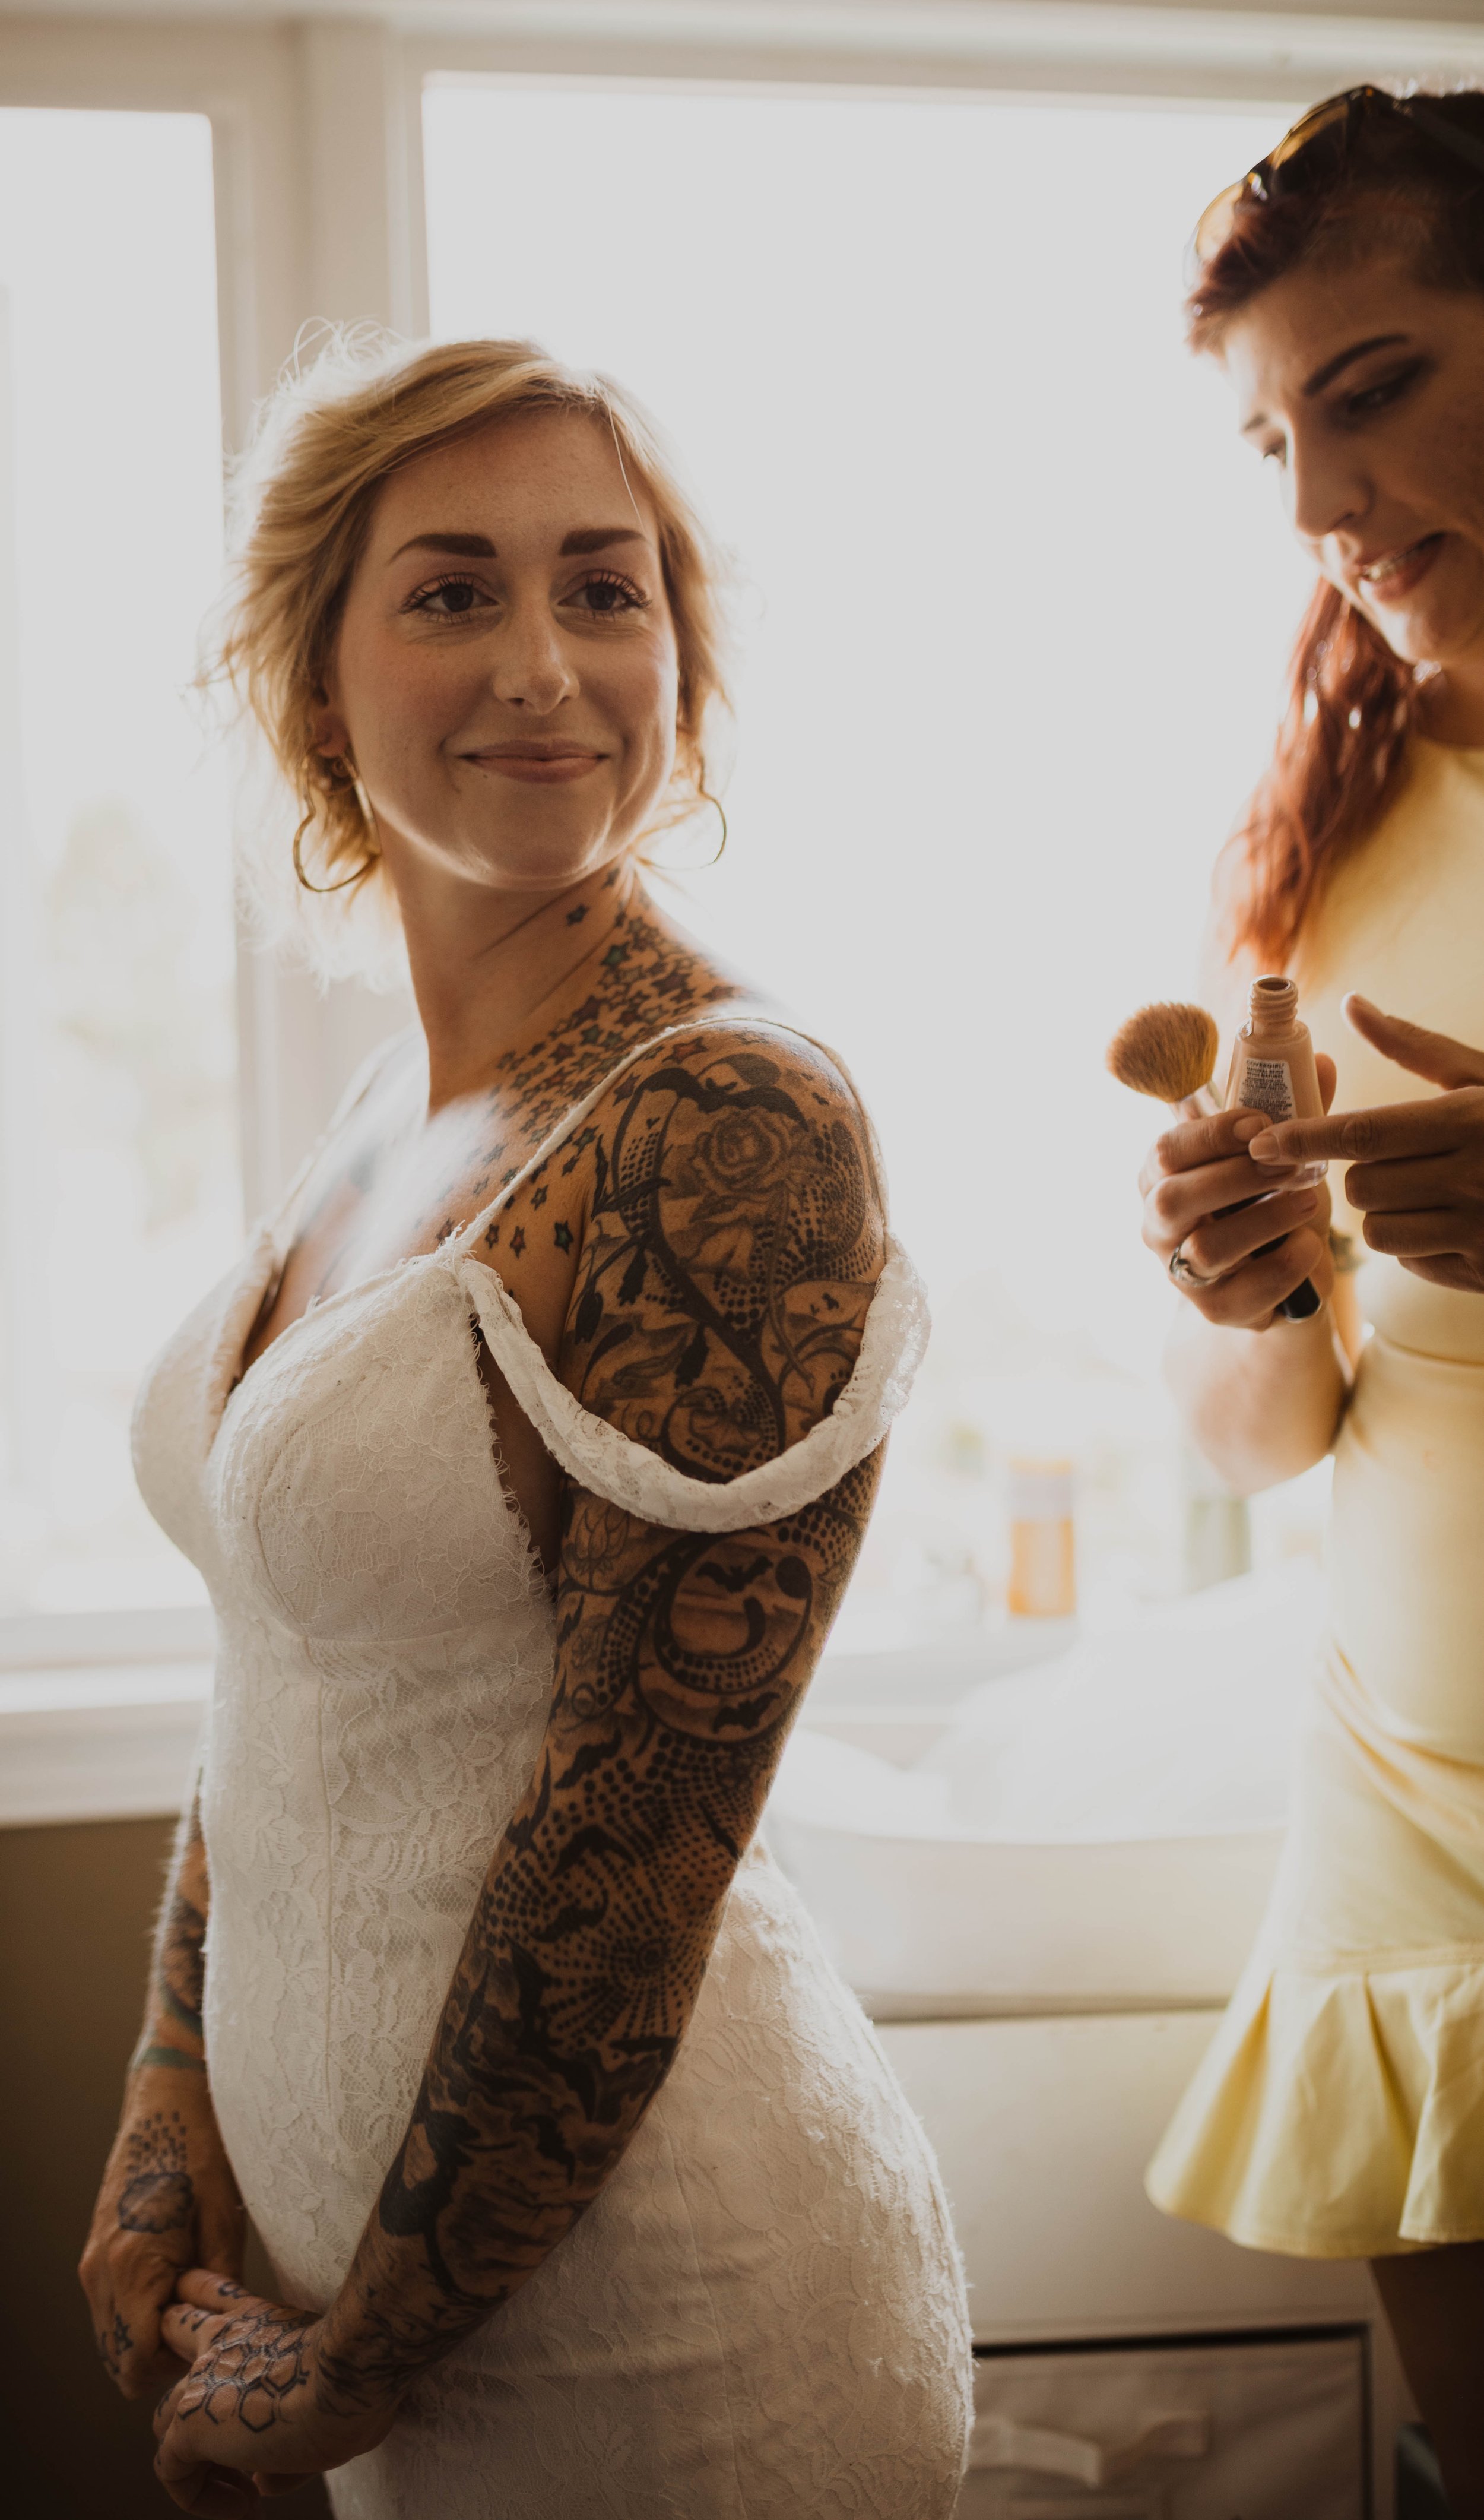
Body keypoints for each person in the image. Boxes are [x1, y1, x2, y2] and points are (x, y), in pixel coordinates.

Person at [78, 335, 972, 2518]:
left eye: (603, 588)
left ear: (681, 657)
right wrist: (166, 2106)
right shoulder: (392, 1105)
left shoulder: (724, 1117)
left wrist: (351, 2362)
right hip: (363, 2314)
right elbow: (286, 1670)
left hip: (666, 2334)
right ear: (314, 679)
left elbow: (630, 1854)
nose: (545, 663)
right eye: (453, 591)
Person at [1136, 87, 1484, 2515]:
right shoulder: (1315, 833)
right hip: (1411, 1827)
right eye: (1272, 440)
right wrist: (1238, 1282)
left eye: (1371, 391)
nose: (1316, 507)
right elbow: (1260, 1434)